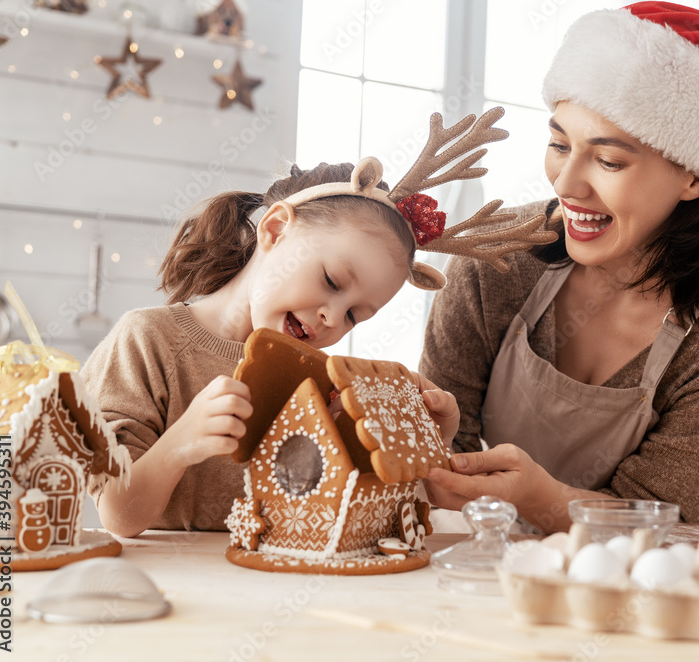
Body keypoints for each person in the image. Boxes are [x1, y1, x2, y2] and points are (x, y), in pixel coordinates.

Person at [420, 2, 699, 532]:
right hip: (474, 562)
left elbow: (671, 521)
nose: (566, 185)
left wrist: (543, 502)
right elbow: (437, 456)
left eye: (609, 161)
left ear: (695, 177)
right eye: (560, 144)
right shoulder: (499, 255)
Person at [83, 109, 552, 538]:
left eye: (354, 314)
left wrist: (430, 439)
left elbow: (368, 508)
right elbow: (118, 515)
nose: (332, 316)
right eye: (330, 280)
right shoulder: (146, 341)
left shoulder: (323, 387)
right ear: (274, 230)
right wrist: (181, 442)